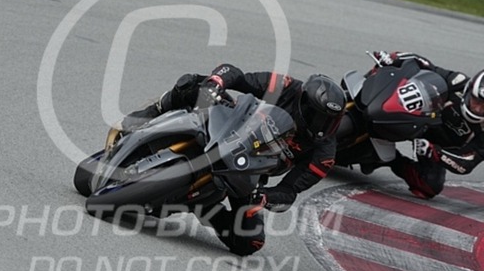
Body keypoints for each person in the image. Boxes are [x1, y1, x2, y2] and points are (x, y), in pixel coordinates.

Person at [120, 64, 346, 256]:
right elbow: (238, 76)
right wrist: (217, 82)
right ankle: (153, 112)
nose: (322, 126)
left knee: (250, 242)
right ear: (303, 102)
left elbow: (289, 191)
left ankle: (204, 207)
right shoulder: (287, 87)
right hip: (232, 124)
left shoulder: (324, 155)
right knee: (193, 84)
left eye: (330, 121)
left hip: (250, 171)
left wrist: (266, 197)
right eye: (318, 116)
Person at [367, 51, 484, 199]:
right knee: (390, 80)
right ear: (469, 90)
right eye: (476, 101)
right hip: (420, 117)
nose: (478, 109)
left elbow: (467, 162)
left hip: (433, 145)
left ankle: (385, 159)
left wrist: (436, 153)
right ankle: (362, 98)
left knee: (430, 185)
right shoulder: (458, 82)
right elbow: (425, 65)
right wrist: (395, 59)